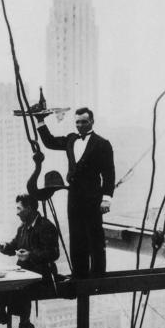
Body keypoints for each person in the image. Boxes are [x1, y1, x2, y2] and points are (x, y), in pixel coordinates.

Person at [35, 107, 114, 278]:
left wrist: (106, 199)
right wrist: (40, 121)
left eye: (84, 122)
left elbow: (109, 173)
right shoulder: (71, 139)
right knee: (76, 234)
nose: (80, 125)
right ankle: (79, 274)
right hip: (74, 196)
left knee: (94, 235)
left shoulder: (102, 144)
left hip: (93, 197)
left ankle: (98, 274)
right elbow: (49, 142)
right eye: (77, 122)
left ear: (92, 122)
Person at [0, 194, 60, 328]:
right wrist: (5, 247)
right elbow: (14, 246)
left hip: (42, 274)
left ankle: (24, 325)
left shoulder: (46, 227)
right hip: (26, 271)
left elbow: (54, 253)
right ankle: (1, 314)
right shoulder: (23, 228)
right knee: (4, 281)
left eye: (19, 208)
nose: (17, 212)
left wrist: (31, 255)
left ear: (30, 209)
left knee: (22, 288)